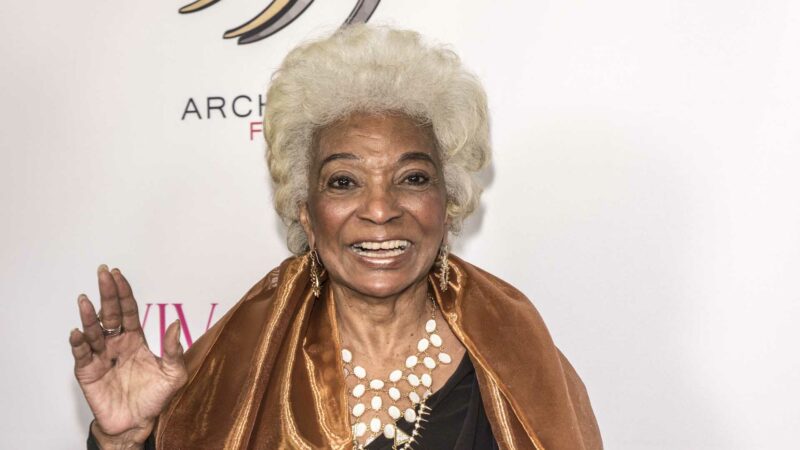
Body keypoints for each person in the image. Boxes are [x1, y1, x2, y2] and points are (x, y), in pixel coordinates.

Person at [69, 24, 603, 450]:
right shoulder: (243, 362)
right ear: (306, 211)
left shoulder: (512, 352)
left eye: (413, 178)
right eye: (344, 182)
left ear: (449, 202)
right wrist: (123, 441)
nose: (380, 209)